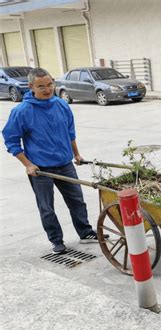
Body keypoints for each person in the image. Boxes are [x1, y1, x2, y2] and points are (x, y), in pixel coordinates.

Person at [2, 67, 97, 255]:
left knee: (77, 201)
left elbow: (70, 133)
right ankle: (57, 241)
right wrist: (28, 164)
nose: (47, 89)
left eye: (50, 84)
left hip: (65, 164)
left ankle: (85, 233)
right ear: (31, 87)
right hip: (41, 169)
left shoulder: (62, 105)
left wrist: (76, 154)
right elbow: (11, 139)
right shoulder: (22, 111)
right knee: (46, 207)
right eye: (41, 86)